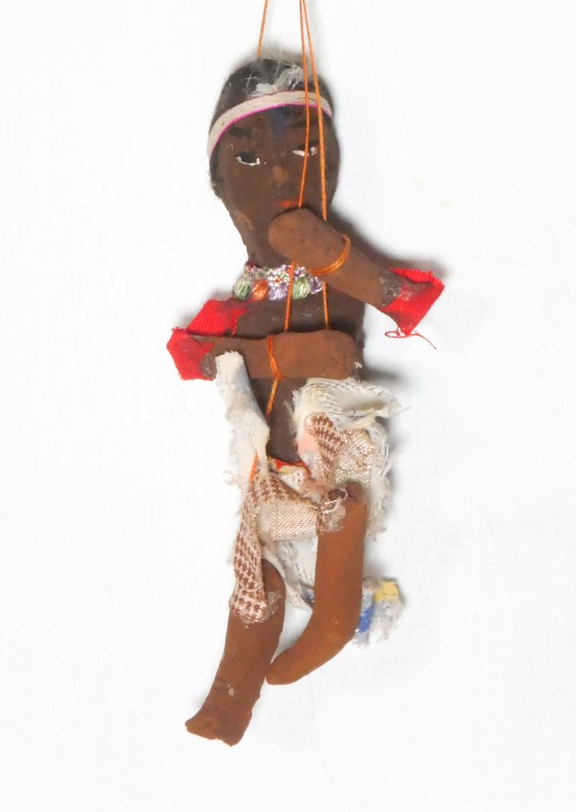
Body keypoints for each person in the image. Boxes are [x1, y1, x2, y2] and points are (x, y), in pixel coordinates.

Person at [168, 58, 441, 745]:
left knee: (340, 505)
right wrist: (271, 358)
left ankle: (334, 619)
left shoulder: (330, 257)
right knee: (257, 569)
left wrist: (327, 256)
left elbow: (383, 315)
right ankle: (233, 693)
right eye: (249, 158)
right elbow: (198, 357)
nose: (280, 176)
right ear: (219, 184)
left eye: (303, 151)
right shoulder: (247, 290)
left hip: (327, 429)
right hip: (271, 457)